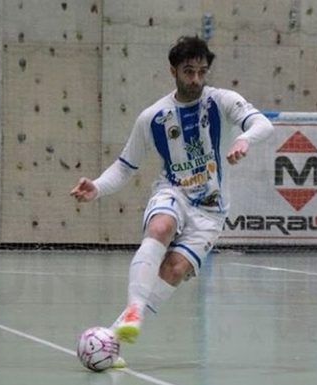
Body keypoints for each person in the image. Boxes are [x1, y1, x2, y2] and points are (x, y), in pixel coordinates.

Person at [71, 36, 274, 349]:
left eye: (201, 72)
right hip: (173, 192)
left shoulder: (221, 101)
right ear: (173, 70)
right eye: (188, 71)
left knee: (174, 269)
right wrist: (96, 187)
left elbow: (262, 124)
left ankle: (111, 343)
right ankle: (134, 309)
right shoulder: (152, 117)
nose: (195, 79)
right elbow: (125, 167)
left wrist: (245, 139)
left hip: (211, 210)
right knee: (161, 226)